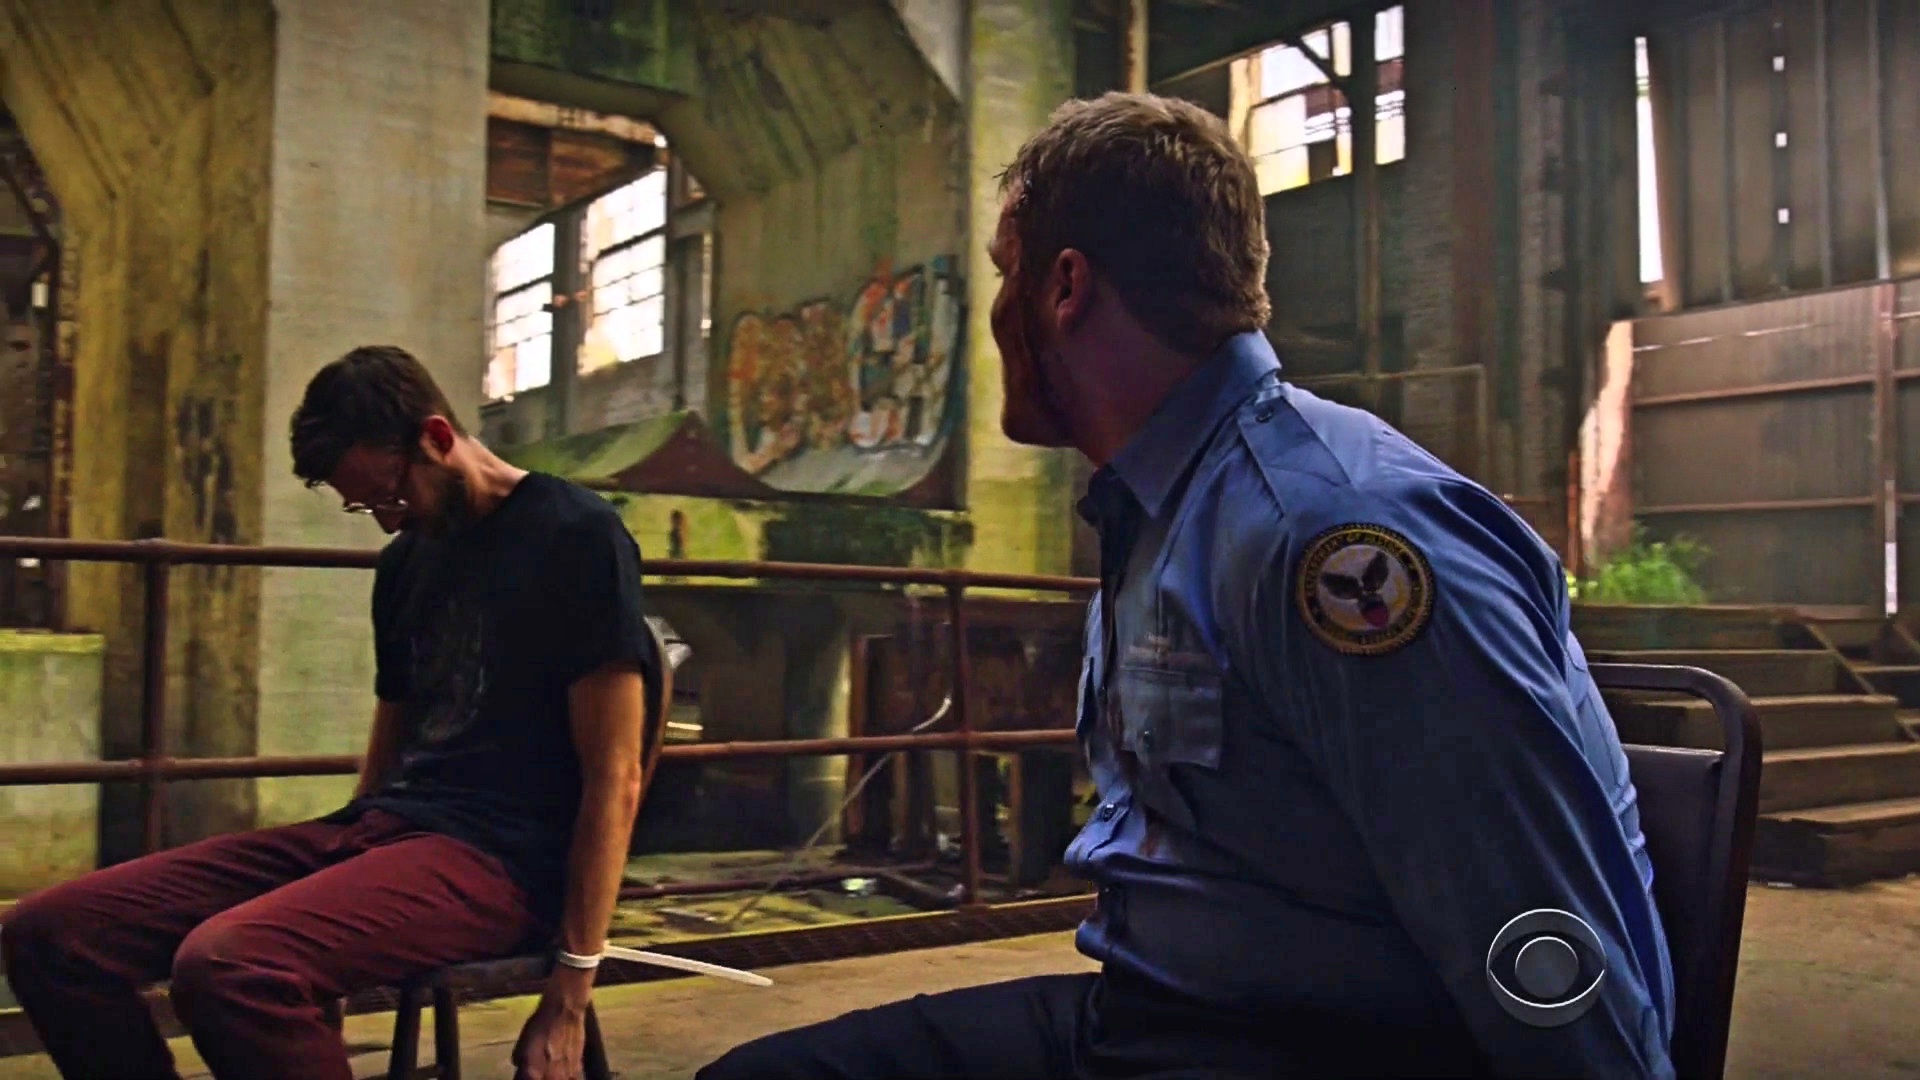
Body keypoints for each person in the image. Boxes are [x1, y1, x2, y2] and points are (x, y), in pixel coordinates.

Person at [697, 92, 1675, 1079]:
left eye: (1004, 273)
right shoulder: (1171, 507)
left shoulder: (1327, 538)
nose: (994, 314)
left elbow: (1539, 928)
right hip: (1162, 1016)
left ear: (1065, 286)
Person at [1, 346, 659, 1080]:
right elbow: (392, 736)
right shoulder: (407, 560)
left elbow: (616, 776)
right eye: (364, 507)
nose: (385, 523)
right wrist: (332, 914)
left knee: (229, 965)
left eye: (389, 497)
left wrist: (571, 989)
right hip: (379, 830)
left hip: (504, 862)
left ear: (437, 438)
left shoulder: (575, 534)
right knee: (51, 932)